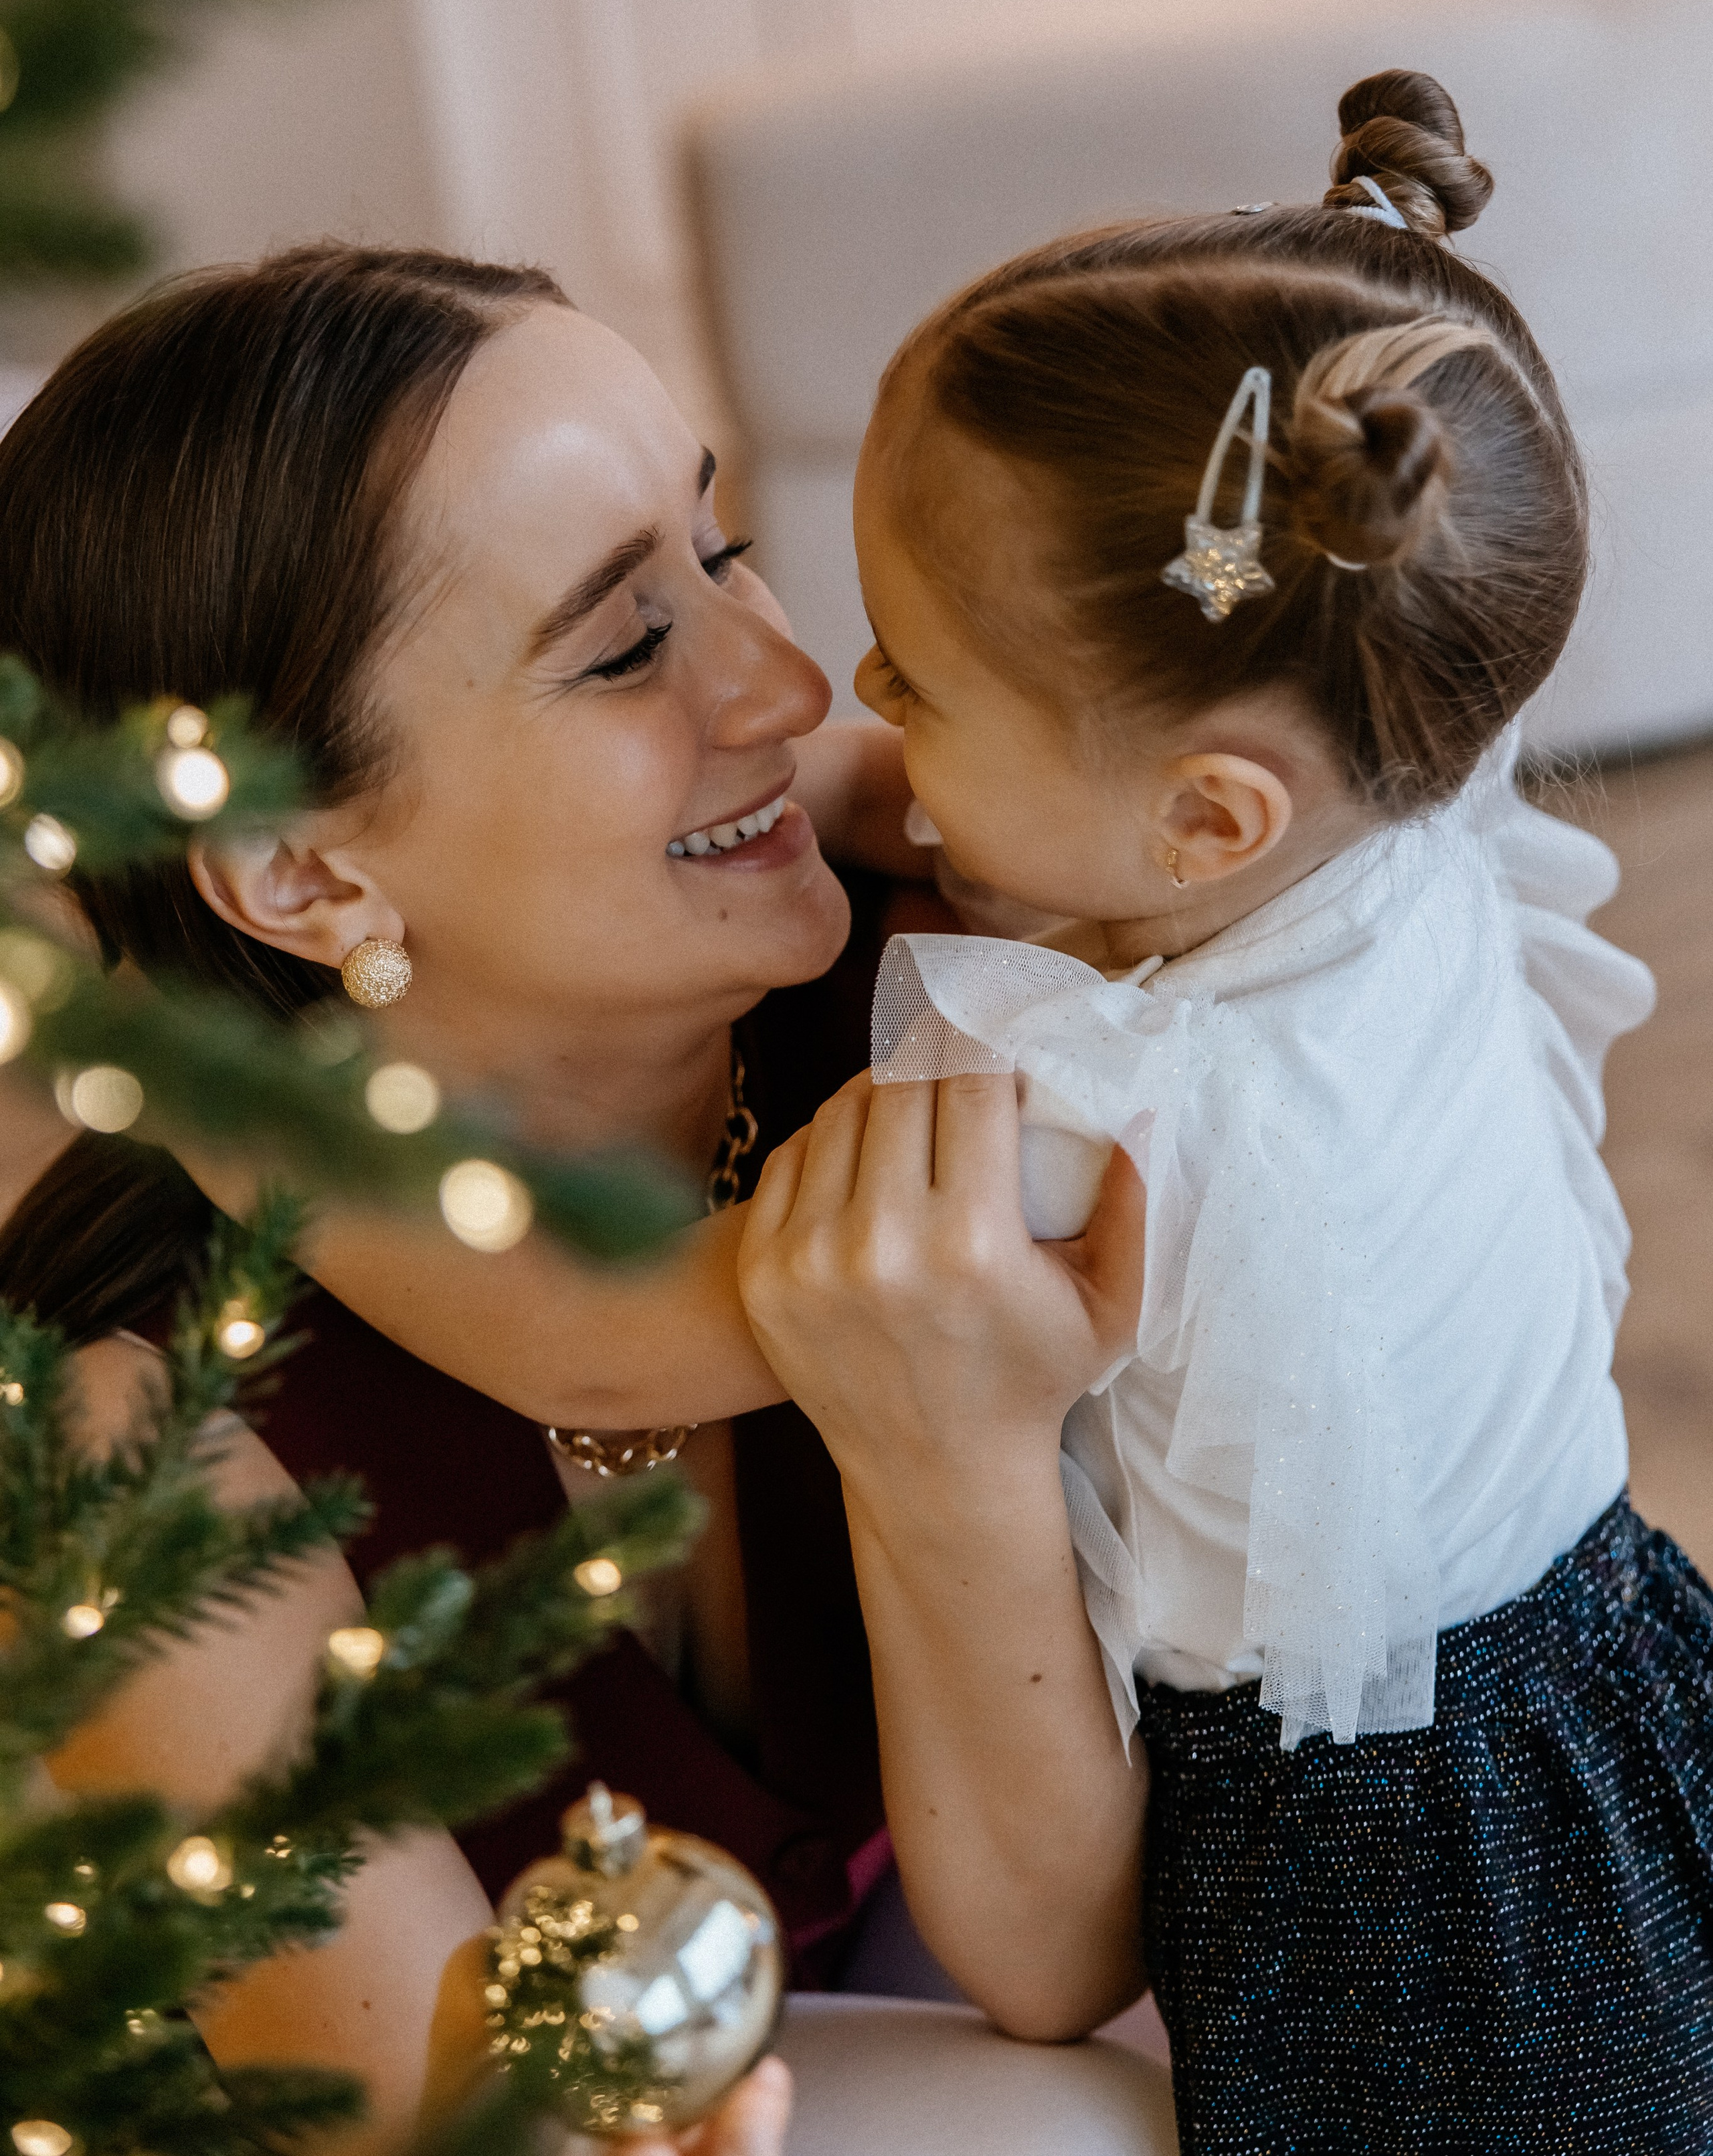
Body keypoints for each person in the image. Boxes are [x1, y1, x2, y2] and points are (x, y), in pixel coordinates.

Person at [0, 246, 1161, 2148]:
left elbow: (1057, 1959)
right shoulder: (141, 1428)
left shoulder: (942, 1003)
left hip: (957, 1982)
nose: (793, 680)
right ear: (296, 873)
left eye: (722, 546)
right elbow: (442, 2111)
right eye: (624, 645)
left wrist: (953, 1453)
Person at [735, 72, 1713, 2148]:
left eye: (912, 671)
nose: (854, 704)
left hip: (1396, 1895)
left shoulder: (1074, 1099)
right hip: (1621, 1684)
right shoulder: (1414, 754)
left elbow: (785, 1296)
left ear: (1203, 817)